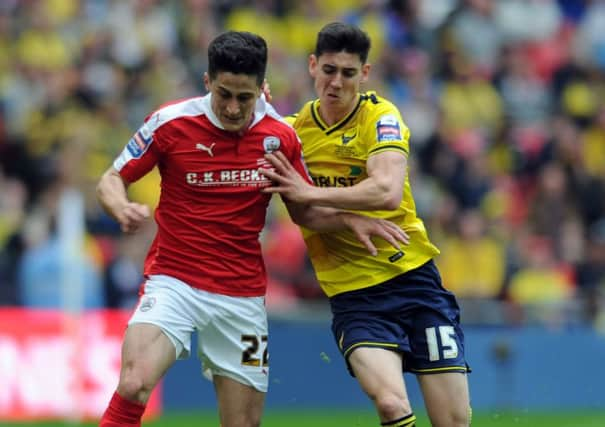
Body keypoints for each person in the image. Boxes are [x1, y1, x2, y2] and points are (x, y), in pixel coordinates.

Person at [95, 30, 408, 427]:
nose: (231, 107)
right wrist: (121, 206)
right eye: (223, 93)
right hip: (173, 281)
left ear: (262, 88)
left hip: (240, 297)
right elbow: (111, 178)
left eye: (244, 97)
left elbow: (304, 212)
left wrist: (350, 219)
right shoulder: (170, 124)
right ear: (208, 82)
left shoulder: (280, 138)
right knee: (134, 382)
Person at [260, 22, 471, 427]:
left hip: (413, 280)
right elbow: (302, 215)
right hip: (354, 297)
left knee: (454, 421)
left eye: (348, 72)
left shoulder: (380, 115)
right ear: (311, 66)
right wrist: (346, 217)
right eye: (328, 70)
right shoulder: (293, 133)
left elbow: (387, 191)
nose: (336, 82)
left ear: (365, 74)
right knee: (392, 405)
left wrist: (311, 192)